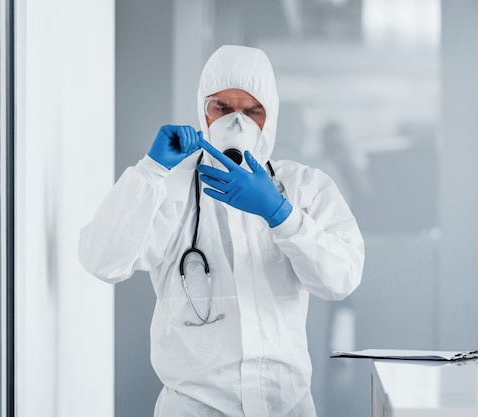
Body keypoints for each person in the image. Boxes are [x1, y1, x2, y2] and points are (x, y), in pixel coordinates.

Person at [78, 44, 364, 417]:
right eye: (223, 109)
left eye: (252, 111)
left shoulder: (304, 188)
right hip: (195, 408)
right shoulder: (170, 187)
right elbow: (103, 261)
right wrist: (149, 170)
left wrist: (281, 215)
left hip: (287, 406)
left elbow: (341, 279)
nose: (237, 123)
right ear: (203, 112)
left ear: (270, 117)